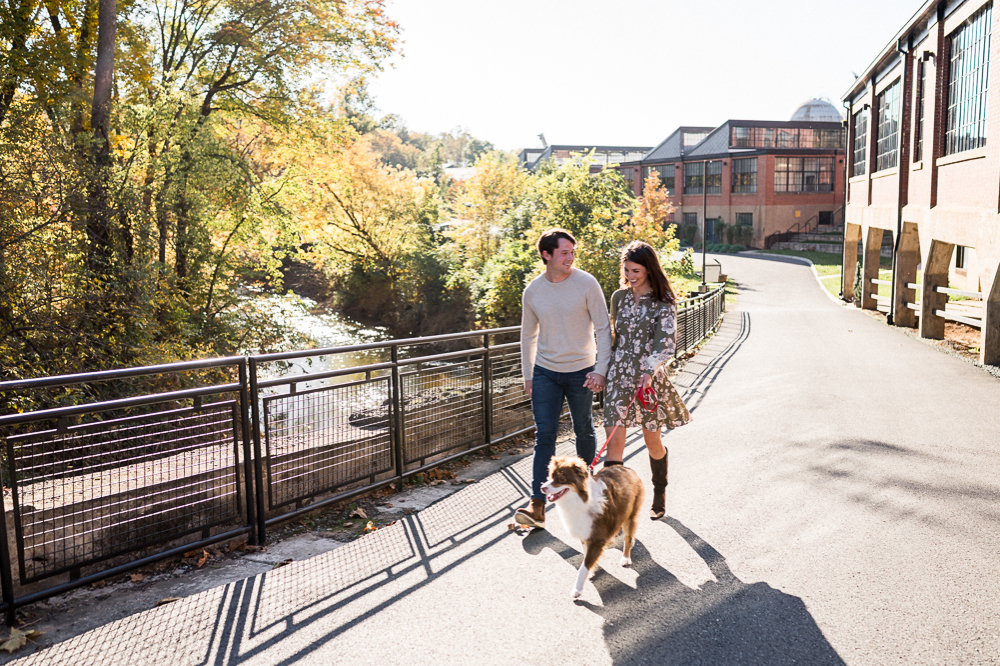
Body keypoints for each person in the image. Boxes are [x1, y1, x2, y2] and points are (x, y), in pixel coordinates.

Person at [514, 228, 612, 529]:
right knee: (545, 435)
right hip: (545, 372)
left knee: (583, 429)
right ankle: (537, 504)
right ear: (547, 255)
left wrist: (600, 369)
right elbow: (527, 336)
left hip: (582, 371)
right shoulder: (533, 290)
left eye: (572, 251)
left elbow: (604, 329)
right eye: (564, 252)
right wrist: (528, 375)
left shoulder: (586, 283)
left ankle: (587, 496)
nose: (571, 257)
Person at [602, 240, 691, 520]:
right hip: (618, 375)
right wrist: (602, 370)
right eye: (627, 270)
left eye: (636, 271)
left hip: (647, 381)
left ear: (649, 269)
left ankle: (659, 491)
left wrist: (649, 371)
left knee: (652, 441)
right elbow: (612, 338)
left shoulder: (663, 301)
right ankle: (612, 509)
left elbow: (665, 343)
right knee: (614, 441)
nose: (630, 276)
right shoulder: (619, 297)